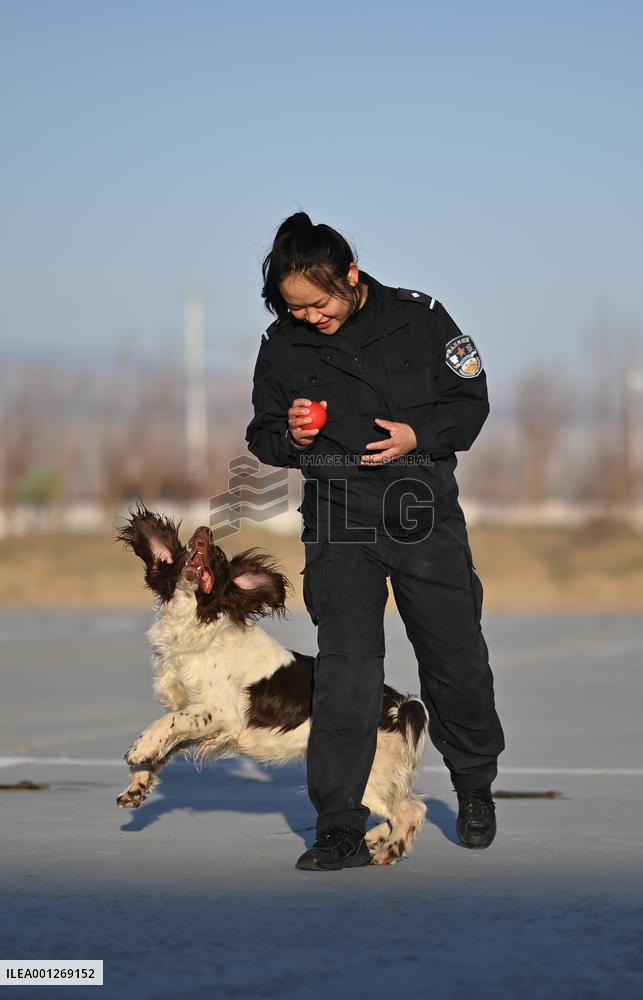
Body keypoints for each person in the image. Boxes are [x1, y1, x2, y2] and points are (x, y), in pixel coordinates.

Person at [245, 212, 505, 871]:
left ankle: (474, 783)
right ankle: (336, 824)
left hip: (421, 513)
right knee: (345, 673)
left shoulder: (418, 318)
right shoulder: (282, 344)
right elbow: (263, 434)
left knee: (454, 661)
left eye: (320, 302)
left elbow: (468, 400)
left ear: (350, 277)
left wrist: (420, 436)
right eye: (296, 308)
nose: (311, 317)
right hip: (338, 519)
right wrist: (294, 437)